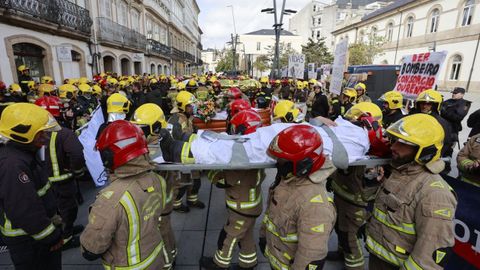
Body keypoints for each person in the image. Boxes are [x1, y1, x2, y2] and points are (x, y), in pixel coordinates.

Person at [366, 114, 457, 270]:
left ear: (425, 150)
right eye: (394, 140)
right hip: (378, 261)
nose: (393, 147)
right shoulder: (400, 172)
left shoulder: (435, 194)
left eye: (404, 143)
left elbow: (428, 258)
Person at [80, 120, 169, 269]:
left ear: (108, 156)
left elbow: (91, 249)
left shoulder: (111, 199)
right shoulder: (158, 180)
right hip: (155, 257)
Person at [259, 125, 336, 270]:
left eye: (282, 160)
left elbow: (311, 255)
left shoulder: (315, 206)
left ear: (303, 164)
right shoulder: (286, 181)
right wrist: (263, 235)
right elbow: (271, 215)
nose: (278, 163)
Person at [0, 103, 64, 269]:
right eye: (40, 133)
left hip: (35, 238)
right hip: (30, 242)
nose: (45, 137)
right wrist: (51, 237)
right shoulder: (13, 165)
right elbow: (25, 210)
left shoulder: (22, 155)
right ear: (23, 134)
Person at [200, 110, 266, 270]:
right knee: (246, 234)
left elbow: (224, 181)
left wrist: (210, 171)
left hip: (241, 208)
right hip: (250, 206)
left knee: (229, 236)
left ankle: (220, 263)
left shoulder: (242, 159)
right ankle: (249, 262)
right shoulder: (255, 152)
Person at [328, 102, 389, 270]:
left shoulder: (374, 149)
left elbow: (368, 183)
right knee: (340, 229)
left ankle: (355, 265)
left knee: (350, 238)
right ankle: (342, 252)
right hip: (342, 195)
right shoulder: (351, 141)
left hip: (355, 203)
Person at [35, 96, 86, 250]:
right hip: (63, 182)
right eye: (63, 109)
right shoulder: (64, 133)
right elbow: (76, 154)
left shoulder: (33, 135)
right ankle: (66, 238)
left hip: (43, 184)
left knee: (53, 210)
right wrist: (78, 172)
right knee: (68, 209)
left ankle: (63, 230)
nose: (67, 111)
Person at [131, 103, 177, 267]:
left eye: (142, 128)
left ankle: (166, 263)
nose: (139, 132)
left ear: (155, 128)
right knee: (165, 227)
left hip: (158, 199)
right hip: (164, 196)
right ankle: (172, 253)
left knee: (159, 231)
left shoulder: (159, 144)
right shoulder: (164, 137)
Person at [168, 91, 205, 212]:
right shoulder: (175, 120)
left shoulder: (186, 117)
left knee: (196, 181)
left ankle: (192, 200)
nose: (193, 108)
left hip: (190, 153)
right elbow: (176, 139)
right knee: (182, 184)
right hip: (181, 157)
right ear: (182, 106)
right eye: (190, 106)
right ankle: (176, 204)